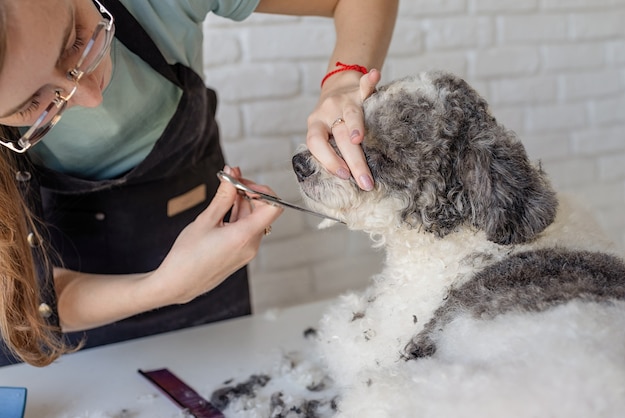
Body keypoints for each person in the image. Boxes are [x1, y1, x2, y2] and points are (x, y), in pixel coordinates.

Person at [0, 0, 398, 367]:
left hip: (207, 267)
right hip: (55, 330)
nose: (90, 96)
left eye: (76, 39)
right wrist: (163, 287)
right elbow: (23, 304)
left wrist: (342, 82)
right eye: (31, 104)